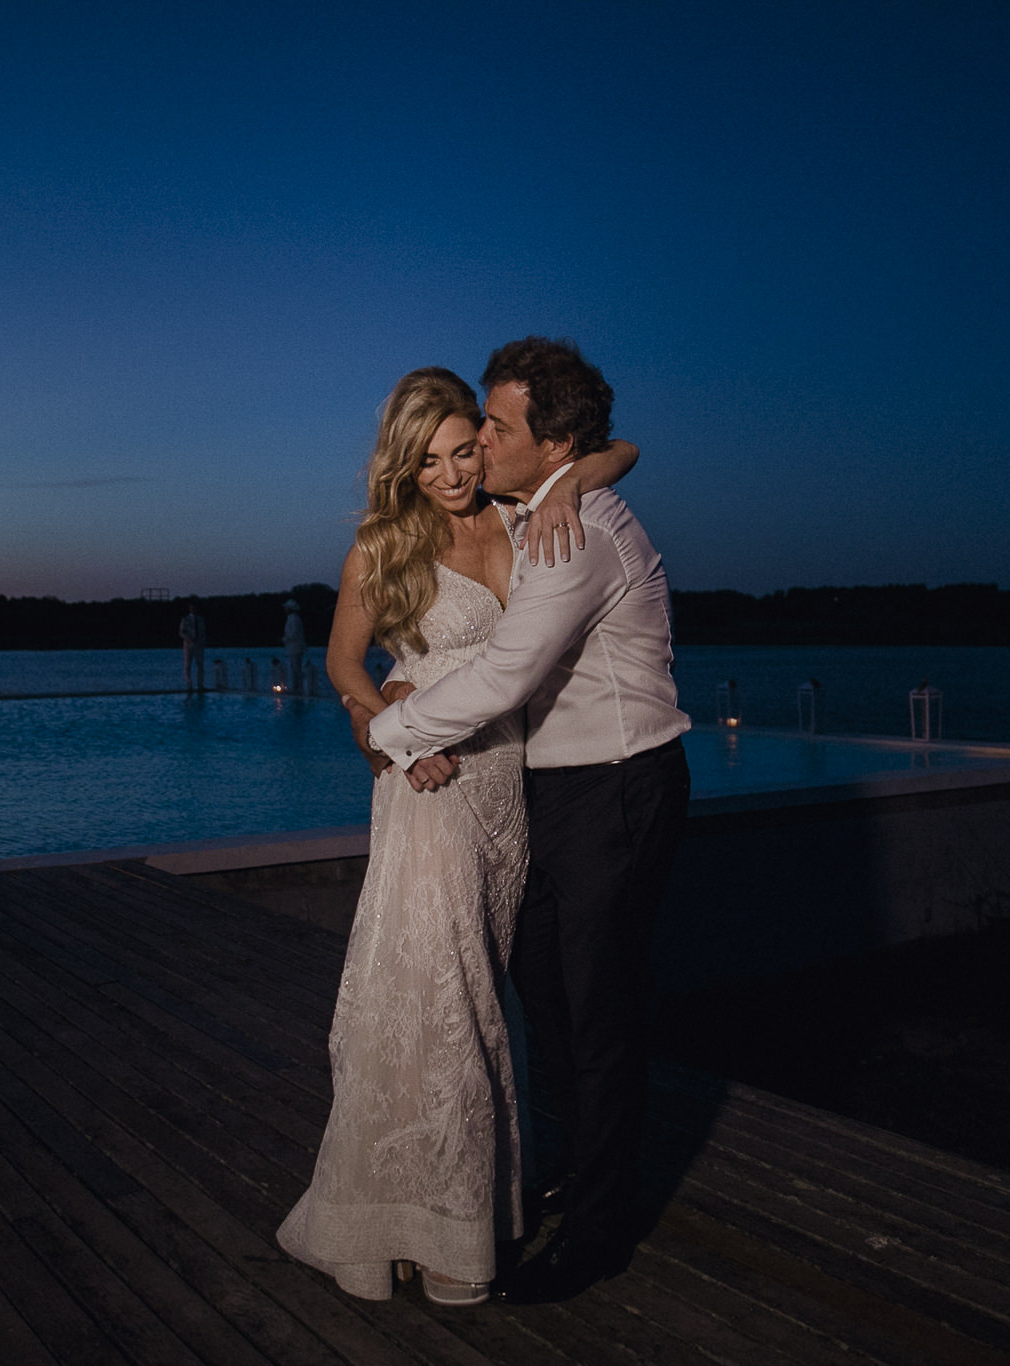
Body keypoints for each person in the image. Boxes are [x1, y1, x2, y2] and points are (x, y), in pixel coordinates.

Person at [276, 366, 638, 1306]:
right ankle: (425, 1236)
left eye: (464, 450)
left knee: (484, 996)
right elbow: (342, 663)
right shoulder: (385, 540)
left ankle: (450, 1205)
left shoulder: (525, 521)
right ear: (404, 464)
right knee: (436, 996)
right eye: (427, 459)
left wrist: (576, 479)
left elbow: (617, 450)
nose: (449, 474)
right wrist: (384, 729)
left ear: (488, 442)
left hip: (507, 791)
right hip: (429, 787)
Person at [365, 337, 690, 1305]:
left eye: (495, 429)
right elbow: (615, 448)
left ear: (549, 442)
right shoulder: (532, 502)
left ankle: (596, 1234)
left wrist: (385, 730)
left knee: (599, 1014)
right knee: (544, 996)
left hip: (619, 787)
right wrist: (594, 458)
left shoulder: (573, 531)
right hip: (556, 793)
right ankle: (574, 1166)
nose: (479, 441)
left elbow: (505, 674)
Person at [177, 601, 207, 690]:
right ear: (189, 609)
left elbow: (203, 632)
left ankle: (200, 684)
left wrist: (202, 641)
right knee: (187, 665)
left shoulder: (201, 620)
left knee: (200, 665)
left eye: (195, 608)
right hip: (188, 645)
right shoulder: (185, 619)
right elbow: (181, 632)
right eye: (192, 608)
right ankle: (189, 684)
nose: (193, 609)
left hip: (198, 645)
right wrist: (188, 639)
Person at [282, 597, 308, 692]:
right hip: (294, 647)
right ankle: (297, 687)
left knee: (296, 668)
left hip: (295, 648)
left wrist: (285, 639)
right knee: (294, 668)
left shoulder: (294, 619)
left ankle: (298, 688)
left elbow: (294, 633)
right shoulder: (293, 618)